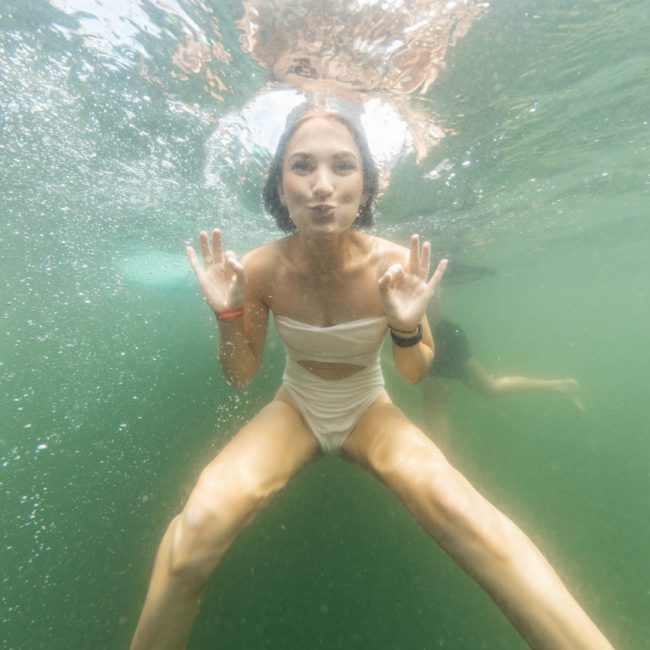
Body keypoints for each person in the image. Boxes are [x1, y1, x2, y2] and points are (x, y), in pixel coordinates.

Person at [130, 105, 614, 650]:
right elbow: (243, 376)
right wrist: (226, 317)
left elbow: (412, 374)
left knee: (458, 508)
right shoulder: (260, 269)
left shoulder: (392, 262)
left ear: (365, 188)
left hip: (367, 406)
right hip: (296, 405)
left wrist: (407, 329)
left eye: (342, 166)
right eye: (302, 167)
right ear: (280, 189)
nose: (321, 185)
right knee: (198, 527)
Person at [422, 316, 584, 450]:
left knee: (435, 409)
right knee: (489, 388)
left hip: (436, 337)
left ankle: (443, 470)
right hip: (443, 333)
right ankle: (558, 386)